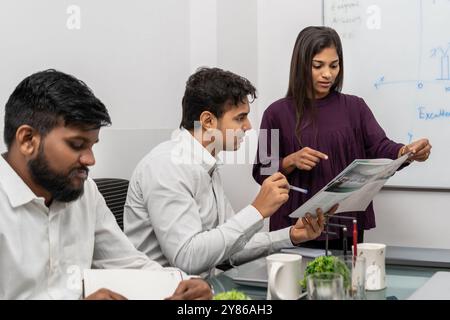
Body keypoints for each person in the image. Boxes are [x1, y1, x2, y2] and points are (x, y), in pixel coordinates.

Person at [0, 69, 212, 300]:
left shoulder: (84, 191)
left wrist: (183, 284)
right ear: (27, 140)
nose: (90, 160)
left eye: (92, 145)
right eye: (77, 144)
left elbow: (126, 263)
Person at [124, 67, 335, 277]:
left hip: (199, 288)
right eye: (240, 118)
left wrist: (291, 235)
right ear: (208, 121)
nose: (248, 126)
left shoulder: (206, 165)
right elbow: (187, 258)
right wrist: (257, 210)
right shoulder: (168, 166)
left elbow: (230, 247)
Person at [252, 26, 432, 250]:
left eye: (334, 65)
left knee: (345, 282)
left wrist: (406, 152)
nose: (328, 74)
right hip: (294, 229)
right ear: (300, 65)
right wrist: (290, 161)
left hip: (345, 224)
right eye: (318, 66)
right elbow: (261, 171)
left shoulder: (355, 107)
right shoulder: (275, 112)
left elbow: (380, 147)